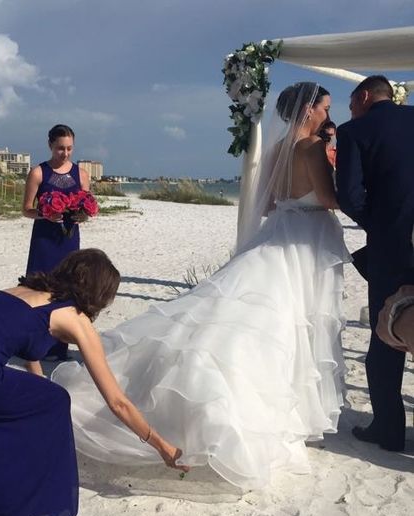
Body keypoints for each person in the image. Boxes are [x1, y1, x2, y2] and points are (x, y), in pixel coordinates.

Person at [53, 82, 349, 490]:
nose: (329, 115)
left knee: (262, 319)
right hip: (305, 242)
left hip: (279, 231)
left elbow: (267, 204)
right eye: (326, 107)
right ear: (309, 110)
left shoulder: (277, 150)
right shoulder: (312, 147)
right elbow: (330, 200)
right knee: (293, 323)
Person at [0, 249, 186, 516]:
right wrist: (162, 446)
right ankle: (33, 499)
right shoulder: (75, 319)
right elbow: (117, 402)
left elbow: (25, 346)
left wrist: (36, 391)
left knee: (40, 400)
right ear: (100, 293)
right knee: (56, 401)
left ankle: (10, 475)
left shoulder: (24, 291)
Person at [336, 75, 414, 452]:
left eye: (352, 104)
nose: (350, 111)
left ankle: (389, 429)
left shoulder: (354, 132)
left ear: (364, 96)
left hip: (391, 249)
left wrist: (381, 225)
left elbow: (350, 197)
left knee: (386, 331)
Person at [22, 124, 90, 362]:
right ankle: (33, 345)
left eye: (70, 148)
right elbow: (26, 209)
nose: (65, 153)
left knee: (67, 291)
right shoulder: (38, 173)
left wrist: (83, 215)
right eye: (60, 148)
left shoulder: (81, 174)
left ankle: (59, 347)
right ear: (50, 145)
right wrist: (45, 214)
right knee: (39, 290)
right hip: (44, 240)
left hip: (69, 240)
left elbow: (86, 206)